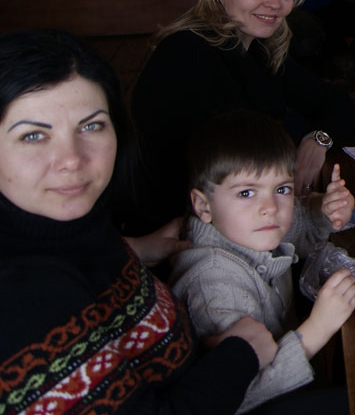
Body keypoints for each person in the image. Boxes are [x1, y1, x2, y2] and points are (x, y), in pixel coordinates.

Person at [0, 29, 276, 413]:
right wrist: (241, 354)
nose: (72, 159)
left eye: (91, 126)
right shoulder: (20, 297)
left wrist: (136, 249)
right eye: (33, 136)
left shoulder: (68, 221)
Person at [131, 0, 355, 234]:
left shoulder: (257, 48)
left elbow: (336, 102)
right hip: (189, 234)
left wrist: (317, 140)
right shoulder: (187, 53)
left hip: (245, 217)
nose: (274, 2)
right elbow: (231, 176)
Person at [171, 110, 355, 414]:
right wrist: (317, 329)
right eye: (247, 192)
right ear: (203, 206)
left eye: (282, 189)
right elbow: (238, 397)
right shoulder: (213, 286)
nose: (270, 207)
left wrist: (326, 210)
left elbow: (298, 221)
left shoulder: (244, 228)